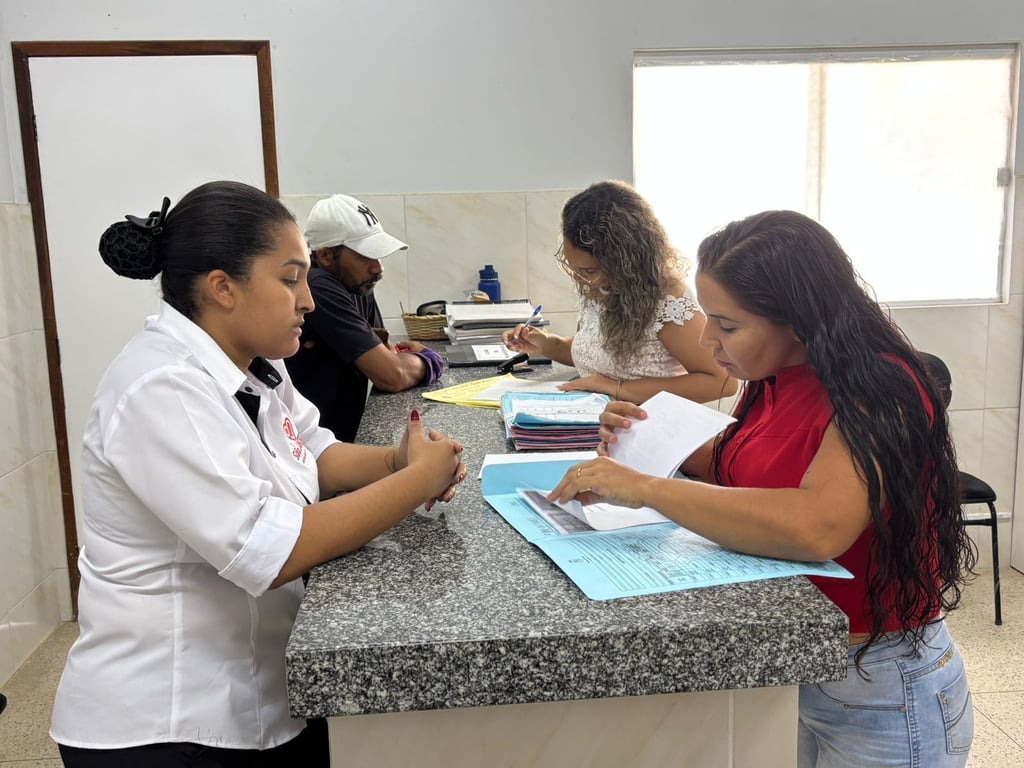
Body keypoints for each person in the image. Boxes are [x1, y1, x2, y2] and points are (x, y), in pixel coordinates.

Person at [49, 181, 466, 767]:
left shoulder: (257, 361)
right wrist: (414, 483)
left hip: (259, 693)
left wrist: (398, 458)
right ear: (223, 287)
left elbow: (313, 453)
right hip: (167, 722)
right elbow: (267, 550)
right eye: (290, 278)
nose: (309, 301)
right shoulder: (160, 387)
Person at [548, 210, 976, 767]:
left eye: (727, 326)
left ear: (797, 320)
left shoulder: (882, 386)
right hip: (795, 662)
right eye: (709, 319)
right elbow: (743, 467)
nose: (707, 340)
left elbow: (818, 525)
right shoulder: (774, 376)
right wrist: (641, 437)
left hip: (880, 683)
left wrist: (647, 488)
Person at [502, 180, 736, 404]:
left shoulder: (667, 299)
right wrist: (546, 344)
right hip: (595, 419)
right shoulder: (596, 285)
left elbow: (723, 382)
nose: (579, 278)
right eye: (573, 267)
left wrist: (617, 388)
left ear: (624, 262)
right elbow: (596, 358)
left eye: (589, 270)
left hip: (647, 427)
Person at [284, 194, 444, 442]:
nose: (378, 267)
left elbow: (387, 355)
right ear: (326, 256)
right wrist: (430, 360)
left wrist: (399, 362)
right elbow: (393, 375)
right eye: (365, 256)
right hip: (316, 449)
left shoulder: (359, 285)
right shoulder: (318, 286)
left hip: (345, 439)